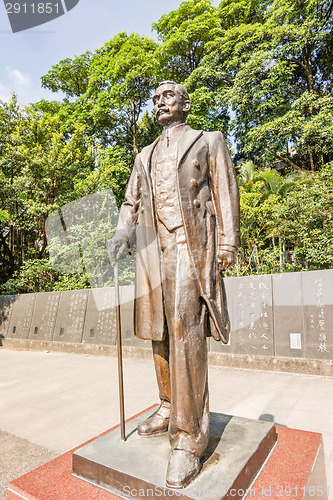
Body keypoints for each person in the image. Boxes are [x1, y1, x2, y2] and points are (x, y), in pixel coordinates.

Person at [107, 80, 240, 488]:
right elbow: (132, 202)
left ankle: (187, 438)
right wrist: (120, 234)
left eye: (168, 96)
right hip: (153, 249)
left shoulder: (209, 140)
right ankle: (167, 405)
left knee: (185, 330)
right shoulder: (144, 155)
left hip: (191, 243)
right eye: (155, 99)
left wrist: (229, 242)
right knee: (159, 331)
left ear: (184, 103)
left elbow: (225, 190)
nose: (159, 103)